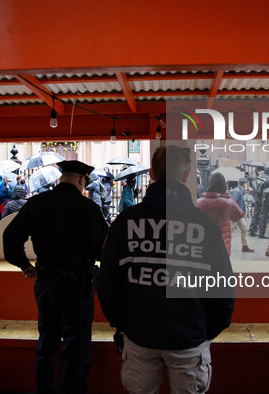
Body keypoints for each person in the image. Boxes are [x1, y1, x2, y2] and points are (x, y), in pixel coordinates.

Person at [98, 145, 234, 394]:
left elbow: (107, 281)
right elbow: (223, 286)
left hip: (139, 336)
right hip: (189, 338)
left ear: (151, 173)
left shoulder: (126, 222)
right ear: (186, 175)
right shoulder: (205, 224)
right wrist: (207, 331)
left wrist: (122, 323)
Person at [3, 160, 108, 394]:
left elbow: (10, 238)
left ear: (63, 177)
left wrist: (24, 265)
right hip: (76, 286)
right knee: (76, 347)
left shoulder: (37, 203)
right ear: (82, 180)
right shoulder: (89, 209)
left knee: (47, 343)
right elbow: (103, 250)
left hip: (46, 283)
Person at [197, 172, 244, 256]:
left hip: (202, 247)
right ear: (224, 186)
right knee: (220, 269)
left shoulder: (198, 203)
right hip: (222, 248)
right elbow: (239, 215)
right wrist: (228, 195)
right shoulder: (227, 203)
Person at [230, 178, 255, 252]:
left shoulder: (238, 190)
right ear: (244, 184)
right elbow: (233, 201)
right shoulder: (238, 192)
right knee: (229, 231)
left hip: (239, 215)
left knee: (244, 229)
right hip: (236, 214)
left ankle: (245, 246)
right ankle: (224, 245)